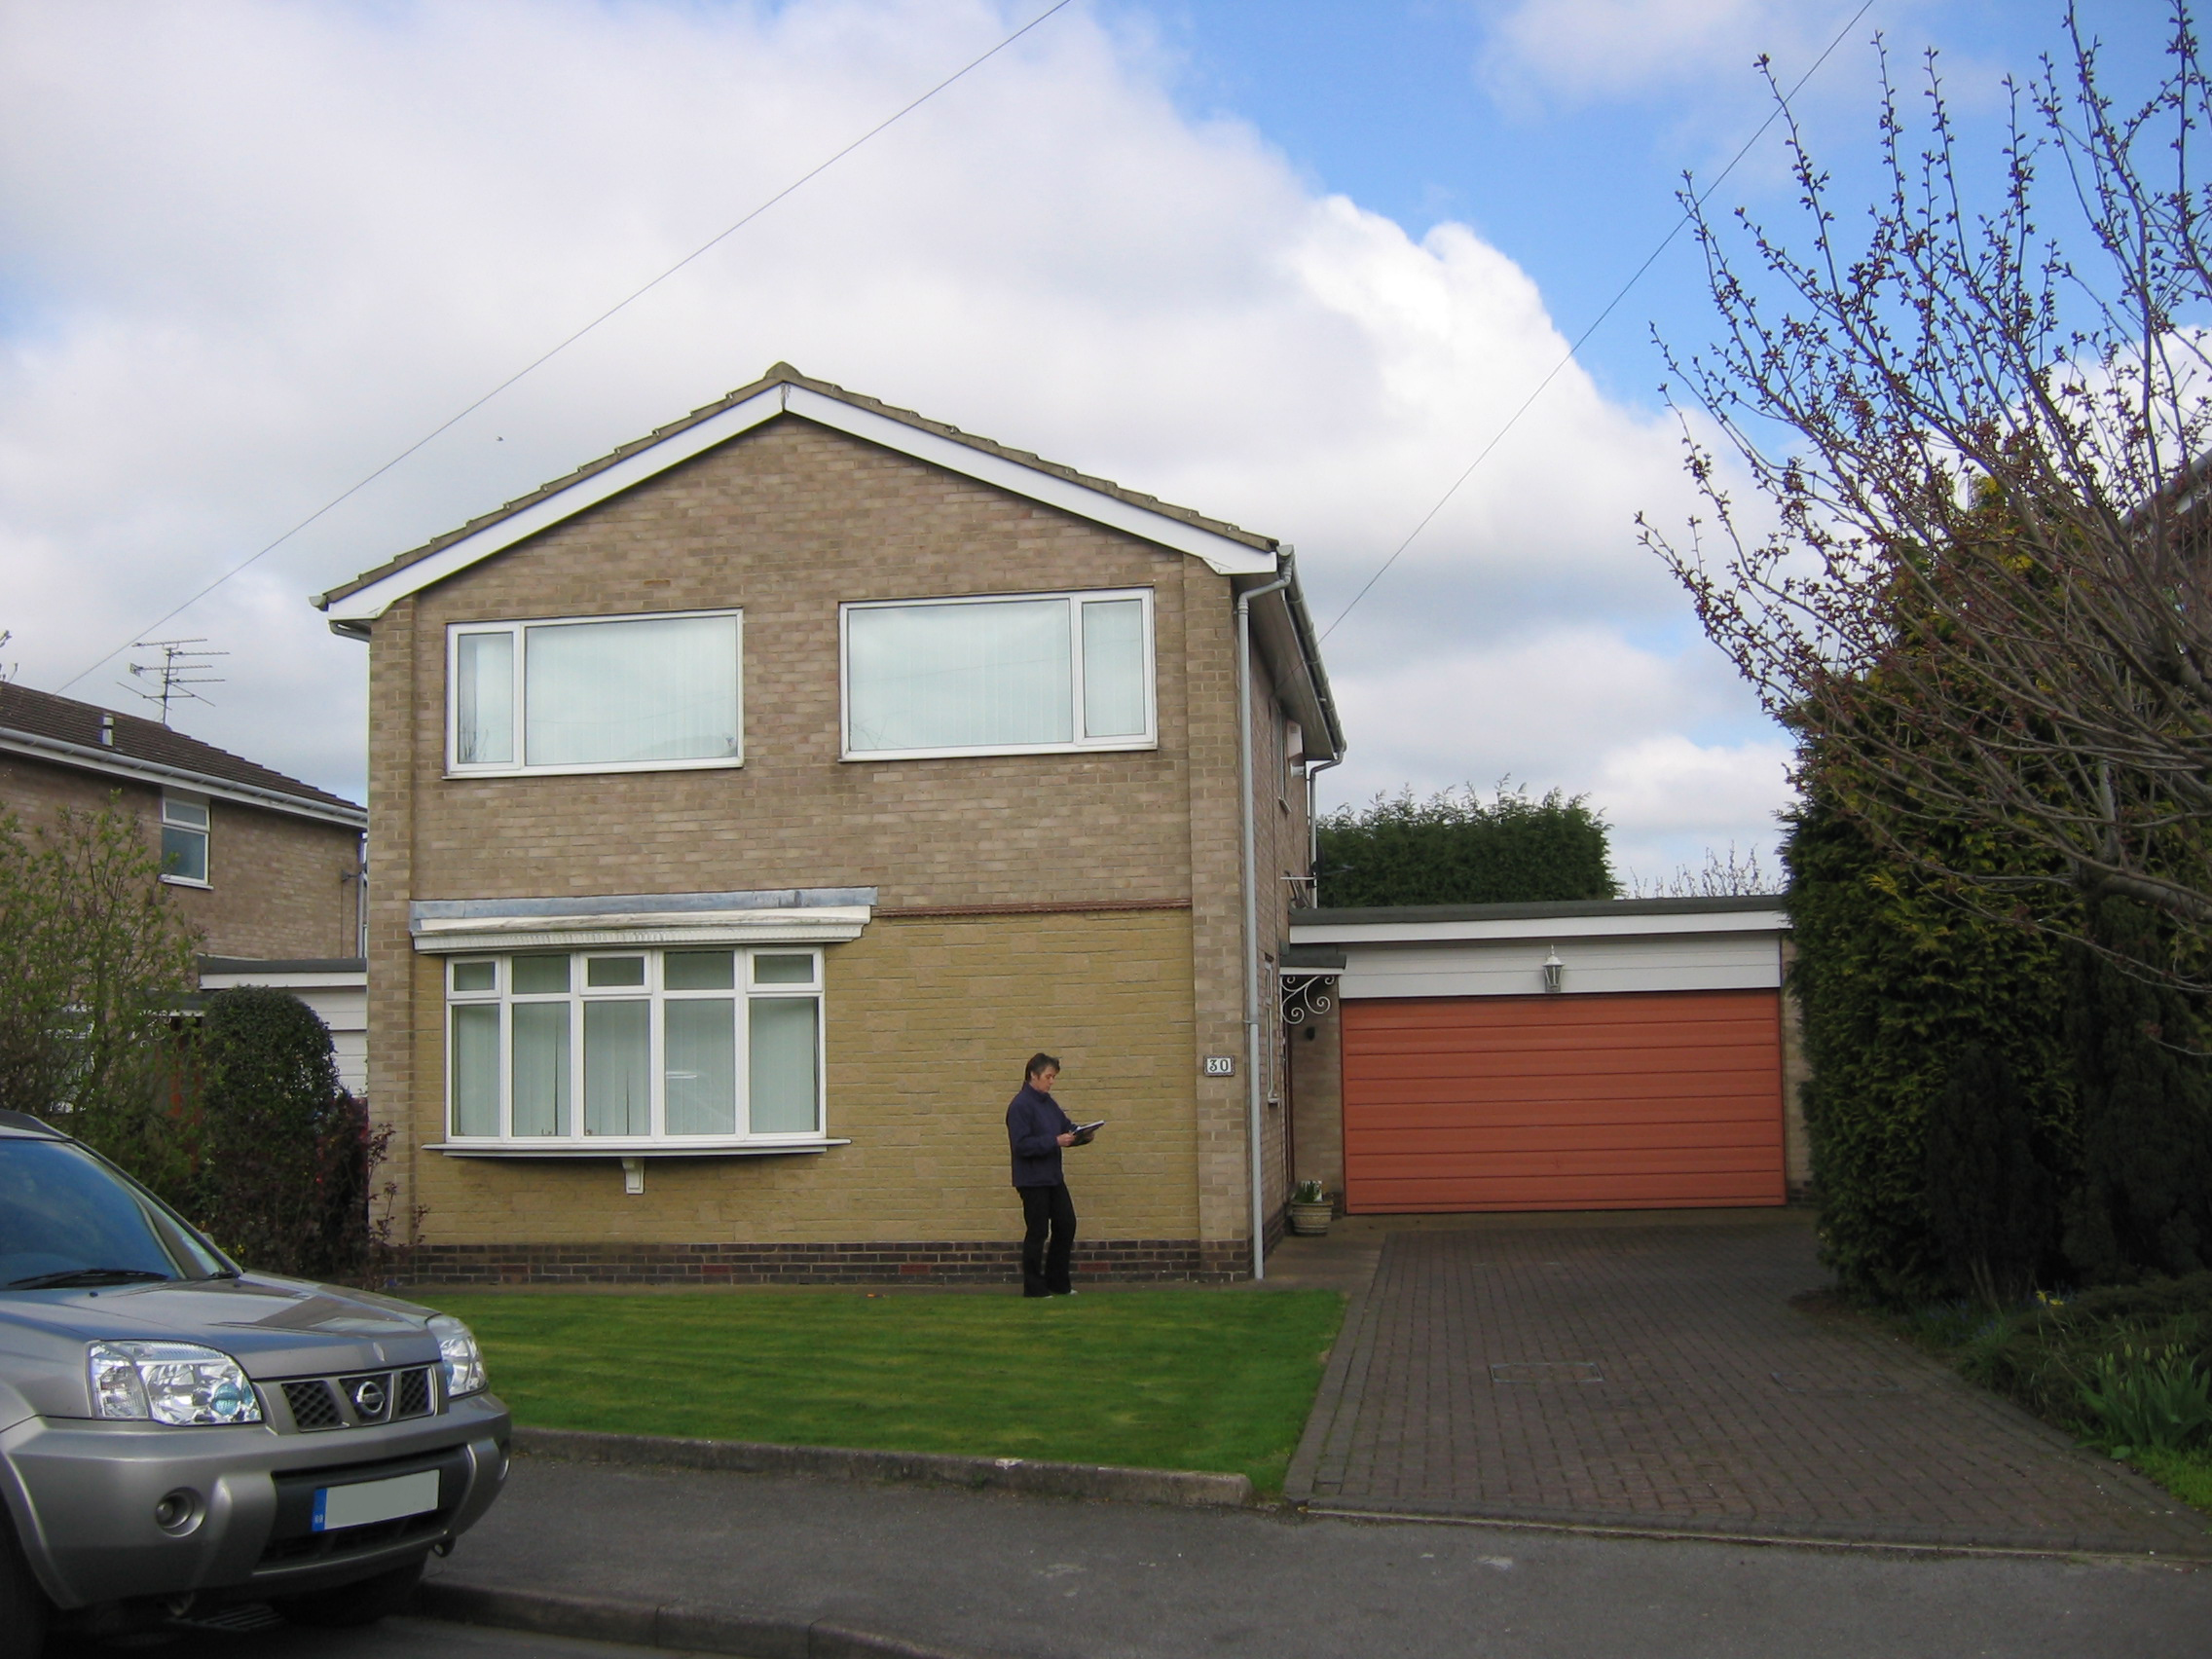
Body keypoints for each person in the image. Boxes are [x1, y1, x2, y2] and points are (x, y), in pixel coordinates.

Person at [1006, 1051, 1080, 1298]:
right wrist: (1054, 1141)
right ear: (1033, 1075)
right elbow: (1022, 1145)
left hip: (1052, 1177)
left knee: (1066, 1224)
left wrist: (1081, 1134)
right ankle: (1034, 1287)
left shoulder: (1048, 1103)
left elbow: (1065, 1125)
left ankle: (1058, 1282)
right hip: (1031, 1179)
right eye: (1048, 1076)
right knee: (1037, 1232)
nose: (1051, 1082)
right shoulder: (1020, 1106)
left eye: (1053, 1077)